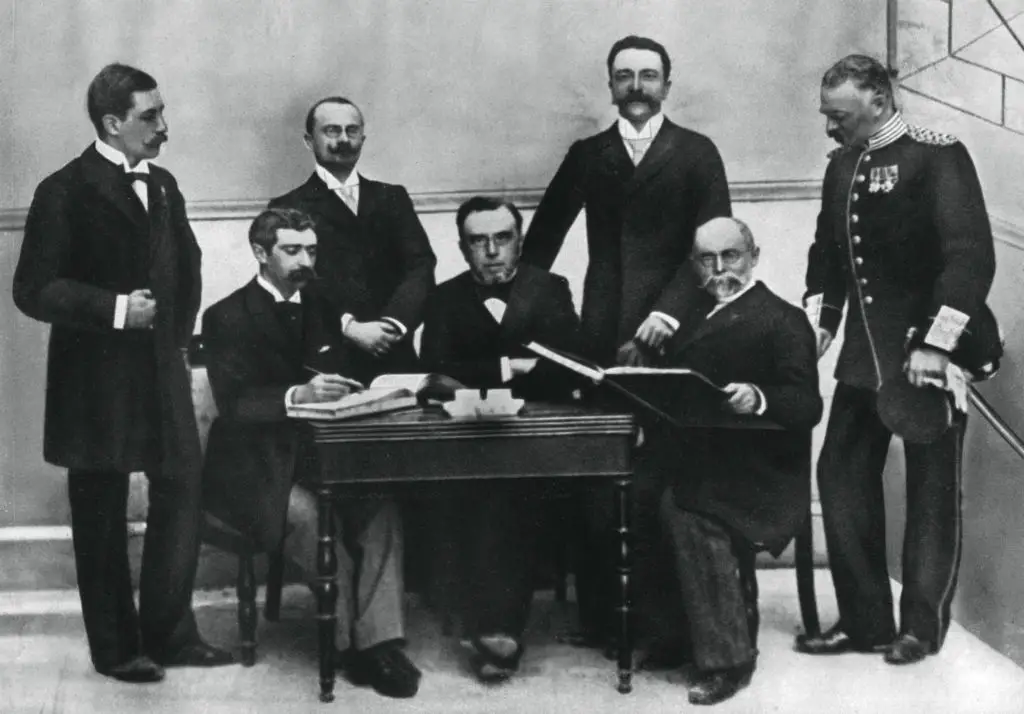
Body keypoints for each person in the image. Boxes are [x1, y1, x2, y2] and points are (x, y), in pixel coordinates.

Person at [11, 63, 233, 682]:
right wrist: (115, 311)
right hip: (95, 384)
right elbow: (31, 289)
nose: (164, 127)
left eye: (162, 112)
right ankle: (115, 649)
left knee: (183, 490)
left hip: (161, 372)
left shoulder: (163, 184)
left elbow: (185, 269)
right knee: (101, 511)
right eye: (150, 116)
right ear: (113, 123)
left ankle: (169, 634)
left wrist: (177, 343)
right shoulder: (63, 190)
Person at [520, 34, 733, 648]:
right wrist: (536, 319)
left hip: (680, 334)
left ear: (668, 84)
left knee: (667, 478)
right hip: (603, 336)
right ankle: (607, 623)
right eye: (624, 76)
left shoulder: (696, 153)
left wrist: (667, 315)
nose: (636, 86)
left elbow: (713, 248)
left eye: (648, 75)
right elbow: (542, 242)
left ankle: (672, 629)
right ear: (610, 85)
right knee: (602, 472)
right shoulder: (590, 154)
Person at [796, 54, 1003, 666]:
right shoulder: (841, 166)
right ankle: (865, 623)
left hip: (928, 358)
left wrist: (936, 344)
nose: (830, 128)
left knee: (931, 493)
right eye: (827, 116)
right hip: (864, 360)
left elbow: (969, 258)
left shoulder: (937, 155)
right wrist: (819, 326)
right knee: (839, 475)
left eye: (840, 116)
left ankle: (921, 627)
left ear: (879, 101)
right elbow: (826, 256)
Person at [200, 208, 422, 699]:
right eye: (292, 250)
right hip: (255, 469)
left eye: (312, 250)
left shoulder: (324, 307)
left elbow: (343, 378)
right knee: (311, 520)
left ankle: (379, 642)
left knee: (381, 507)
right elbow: (235, 404)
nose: (305, 261)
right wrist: (299, 395)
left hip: (325, 458)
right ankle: (350, 646)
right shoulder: (225, 315)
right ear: (261, 252)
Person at [652, 217, 822, 705]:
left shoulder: (782, 318)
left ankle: (729, 660)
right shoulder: (691, 311)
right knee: (636, 491)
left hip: (762, 468)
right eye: (707, 259)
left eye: (731, 256)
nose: (720, 268)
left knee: (687, 508)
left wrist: (759, 395)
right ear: (694, 264)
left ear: (754, 256)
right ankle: (675, 635)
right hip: (702, 456)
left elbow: (808, 405)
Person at [419, 197, 582, 682]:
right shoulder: (445, 297)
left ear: (520, 241)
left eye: (502, 238)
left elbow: (568, 365)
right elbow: (436, 371)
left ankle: (496, 628)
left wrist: (483, 374)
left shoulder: (550, 289)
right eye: (478, 241)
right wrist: (512, 368)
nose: (491, 251)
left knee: (508, 495)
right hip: (466, 441)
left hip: (539, 441)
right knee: (486, 494)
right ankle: (496, 629)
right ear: (463, 248)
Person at [268, 96, 437, 385]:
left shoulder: (392, 197)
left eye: (352, 131)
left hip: (395, 357)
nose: (343, 139)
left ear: (363, 137)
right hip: (330, 362)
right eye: (332, 131)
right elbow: (293, 281)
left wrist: (392, 325)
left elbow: (420, 266)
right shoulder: (286, 207)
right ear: (309, 141)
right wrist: (348, 328)